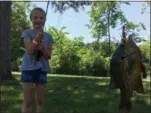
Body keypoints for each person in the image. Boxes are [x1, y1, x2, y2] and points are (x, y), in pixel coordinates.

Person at [20, 7, 54, 113]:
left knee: (40, 101)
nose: (38, 20)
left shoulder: (49, 36)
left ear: (44, 20)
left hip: (42, 70)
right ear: (31, 19)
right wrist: (36, 41)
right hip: (28, 69)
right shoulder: (26, 33)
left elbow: (49, 56)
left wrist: (43, 49)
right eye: (35, 17)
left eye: (41, 18)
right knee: (28, 101)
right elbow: (29, 51)